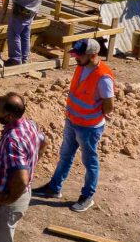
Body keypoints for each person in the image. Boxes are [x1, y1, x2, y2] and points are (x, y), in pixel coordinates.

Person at [32, 39, 114, 213]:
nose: (75, 58)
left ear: (92, 55)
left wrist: (93, 117)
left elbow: (109, 106)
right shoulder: (81, 66)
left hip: (89, 128)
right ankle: (54, 188)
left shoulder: (103, 77)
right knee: (65, 155)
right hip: (72, 121)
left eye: (79, 55)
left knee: (90, 162)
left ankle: (87, 196)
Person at [0, 92, 49, 242]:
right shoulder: (29, 124)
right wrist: (32, 163)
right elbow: (44, 142)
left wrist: (9, 199)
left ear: (9, 116)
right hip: (15, 195)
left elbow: (22, 179)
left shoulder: (13, 140)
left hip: (6, 200)